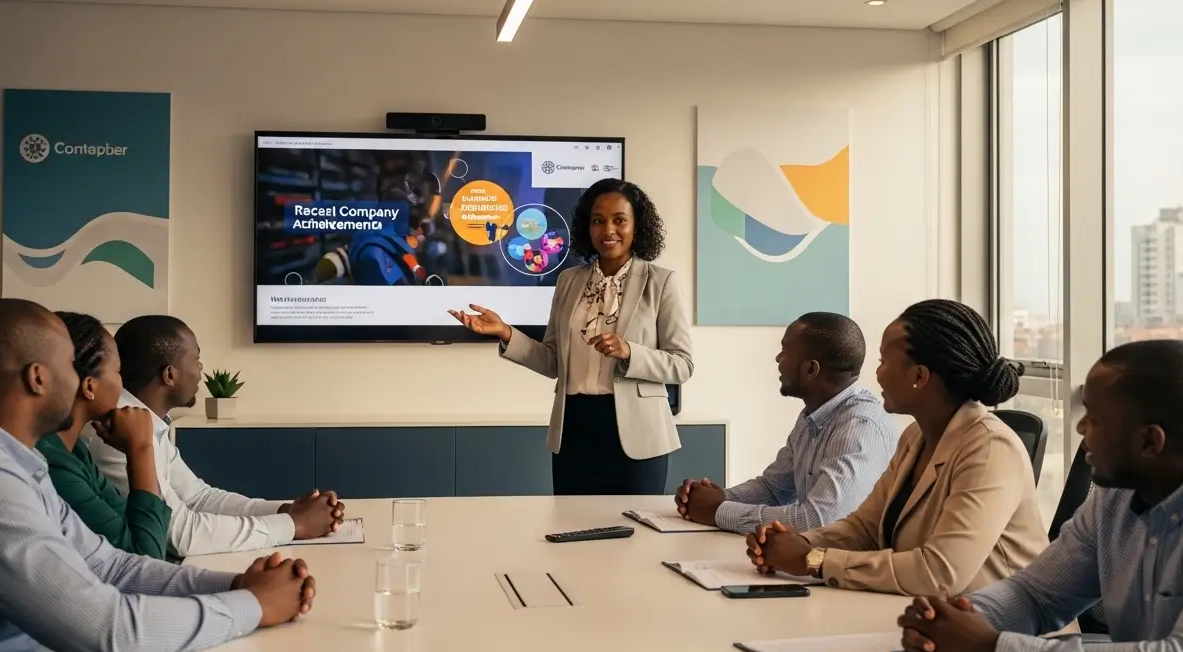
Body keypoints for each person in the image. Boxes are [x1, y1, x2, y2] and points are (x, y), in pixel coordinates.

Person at [0, 299, 315, 652]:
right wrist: (255, 605)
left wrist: (237, 585)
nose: (82, 379)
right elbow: (105, 630)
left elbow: (112, 567)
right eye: (70, 364)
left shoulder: (12, 462)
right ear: (38, 378)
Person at [897, 340, 1183, 652]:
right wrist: (953, 621)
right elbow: (1037, 596)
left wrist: (993, 651)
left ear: (1150, 441)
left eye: (1094, 420)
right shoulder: (1117, 497)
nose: (1080, 431)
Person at [746, 299, 1047, 596]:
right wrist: (800, 544)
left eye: (884, 362)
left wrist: (813, 561)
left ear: (919, 376)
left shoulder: (991, 449)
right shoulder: (916, 437)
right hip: (931, 618)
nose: (877, 374)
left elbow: (939, 572)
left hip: (1006, 634)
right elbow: (865, 528)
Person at [449, 178, 693, 495]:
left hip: (638, 437)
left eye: (619, 220)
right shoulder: (569, 281)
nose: (608, 231)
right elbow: (553, 361)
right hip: (574, 430)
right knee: (572, 535)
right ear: (585, 227)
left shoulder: (662, 282)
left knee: (635, 538)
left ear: (637, 226)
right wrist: (506, 332)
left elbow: (682, 365)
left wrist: (629, 352)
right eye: (598, 221)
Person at [85, 315, 343, 557]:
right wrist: (294, 525)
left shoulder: (151, 423)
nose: (201, 368)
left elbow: (199, 497)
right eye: (196, 359)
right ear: (170, 374)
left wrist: (285, 511)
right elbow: (180, 535)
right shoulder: (115, 433)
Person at [673, 312, 897, 533]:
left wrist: (718, 512)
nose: (778, 359)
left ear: (811, 369)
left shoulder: (859, 428)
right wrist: (718, 497)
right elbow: (774, 489)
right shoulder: (814, 414)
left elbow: (818, 521)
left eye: (784, 351)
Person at [35, 311, 171, 559]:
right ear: (89, 386)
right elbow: (146, 558)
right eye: (118, 372)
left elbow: (127, 526)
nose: (122, 384)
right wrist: (140, 450)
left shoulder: (74, 450)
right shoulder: (50, 463)